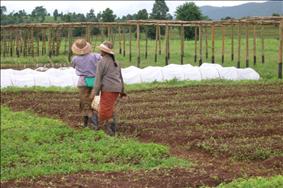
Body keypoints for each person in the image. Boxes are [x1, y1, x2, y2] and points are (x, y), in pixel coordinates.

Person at [91, 41, 126, 136]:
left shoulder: (101, 62)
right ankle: (111, 127)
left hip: (108, 88)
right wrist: (122, 90)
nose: (100, 52)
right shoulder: (116, 62)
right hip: (117, 88)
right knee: (110, 107)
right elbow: (120, 77)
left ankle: (110, 130)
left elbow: (98, 79)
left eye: (101, 50)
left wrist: (95, 92)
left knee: (104, 109)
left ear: (105, 52)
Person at [71, 38, 101, 129]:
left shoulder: (75, 59)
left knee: (85, 103)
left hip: (83, 82)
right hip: (95, 81)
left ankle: (88, 125)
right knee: (94, 102)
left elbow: (73, 66)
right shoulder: (96, 56)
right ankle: (94, 124)